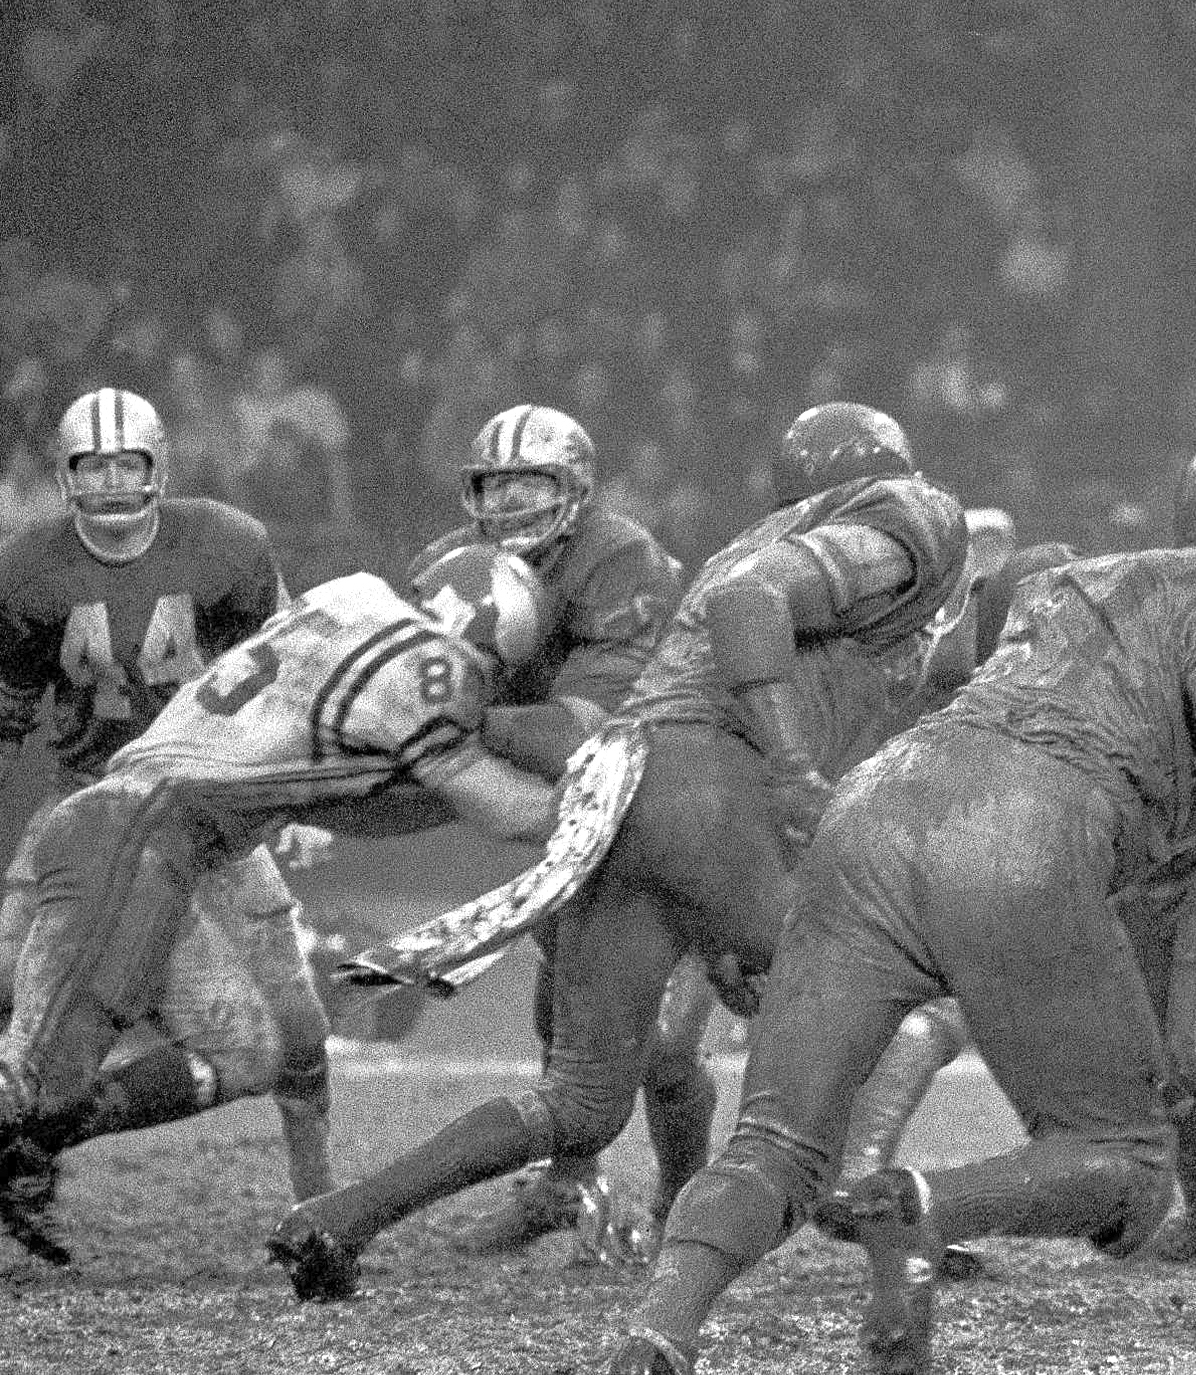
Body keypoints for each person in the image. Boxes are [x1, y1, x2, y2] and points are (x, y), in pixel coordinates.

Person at [600, 455, 1196, 1375]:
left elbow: (963, 681)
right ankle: (924, 1207)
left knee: (775, 1145)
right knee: (1128, 1165)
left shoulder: (1069, 578)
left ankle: (660, 1330)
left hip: (877, 805)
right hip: (1019, 832)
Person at [267, 403, 970, 1301]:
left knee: (582, 1102)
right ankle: (882, 1212)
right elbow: (750, 606)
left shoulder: (747, 540)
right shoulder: (907, 515)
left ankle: (339, 1218)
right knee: (906, 986)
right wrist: (794, 770)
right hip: (707, 792)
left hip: (617, 792)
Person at [1, 547, 565, 1265]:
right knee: (33, 1080)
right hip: (134, 837)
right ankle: (30, 1138)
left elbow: (358, 802)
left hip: (167, 839)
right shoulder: (434, 667)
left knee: (254, 1047)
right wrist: (599, 804)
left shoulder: (352, 593)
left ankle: (38, 1151)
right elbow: (498, 804)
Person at [0, 387, 324, 1254]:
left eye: (126, 464)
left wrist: (299, 798)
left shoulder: (227, 546)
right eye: (92, 466)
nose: (110, 483)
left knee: (291, 1033)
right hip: (96, 812)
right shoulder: (26, 571)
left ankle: (325, 1210)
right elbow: (7, 714)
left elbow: (294, 673)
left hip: (215, 807)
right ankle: (28, 1148)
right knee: (21, 996)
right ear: (64, 475)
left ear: (159, 468)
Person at [422, 403, 696, 1254]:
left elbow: (583, 731)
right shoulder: (452, 567)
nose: (508, 503)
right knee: (565, 1011)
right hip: (572, 819)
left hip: (668, 805)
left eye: (529, 483)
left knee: (656, 1041)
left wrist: (450, 716)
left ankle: (683, 1207)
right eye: (494, 485)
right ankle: (570, 1185)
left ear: (574, 488)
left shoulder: (621, 560)